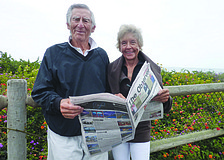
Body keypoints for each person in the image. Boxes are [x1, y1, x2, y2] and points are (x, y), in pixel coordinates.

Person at [31, 3, 109, 160]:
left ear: (93, 27)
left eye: (86, 20)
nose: (81, 24)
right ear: (68, 25)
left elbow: (108, 90)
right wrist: (58, 103)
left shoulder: (102, 56)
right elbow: (39, 92)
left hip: (97, 134)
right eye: (76, 19)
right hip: (63, 135)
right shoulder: (53, 53)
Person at [107, 24, 172, 160]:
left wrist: (165, 98)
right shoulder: (111, 68)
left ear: (139, 45)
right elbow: (105, 95)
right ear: (119, 46)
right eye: (124, 43)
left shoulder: (151, 68)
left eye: (133, 42)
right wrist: (112, 98)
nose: (128, 47)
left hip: (141, 130)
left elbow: (165, 105)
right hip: (119, 129)